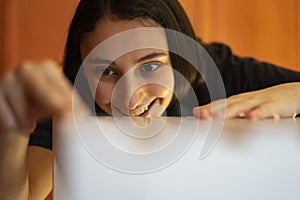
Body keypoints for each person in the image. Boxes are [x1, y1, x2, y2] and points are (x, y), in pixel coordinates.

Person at [0, 0, 300, 199]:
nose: (130, 95)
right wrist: (11, 131)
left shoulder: (215, 70)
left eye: (151, 65)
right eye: (106, 71)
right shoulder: (69, 100)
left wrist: (292, 94)